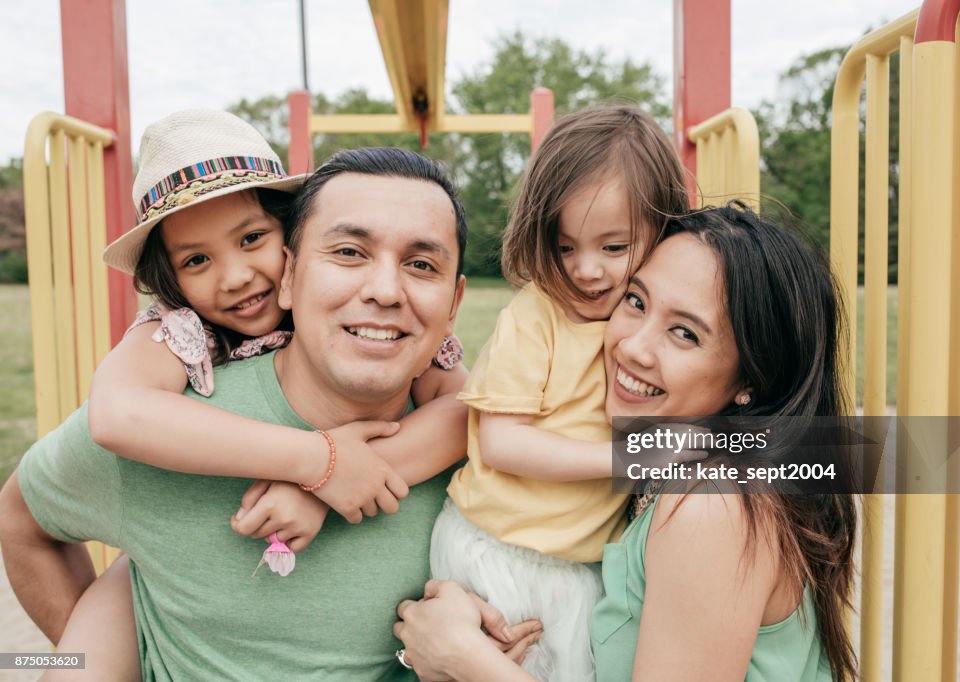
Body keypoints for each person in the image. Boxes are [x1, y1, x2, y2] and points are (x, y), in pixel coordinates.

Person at [0, 145, 498, 680]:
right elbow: (25, 516)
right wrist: (95, 657)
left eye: (421, 264)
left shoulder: (500, 437)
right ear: (290, 273)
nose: (384, 290)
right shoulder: (168, 421)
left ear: (454, 302)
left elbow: (479, 420)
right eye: (350, 252)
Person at [394, 204, 859, 682]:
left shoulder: (711, 505)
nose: (632, 346)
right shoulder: (676, 469)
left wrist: (464, 659)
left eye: (684, 333)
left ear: (751, 380)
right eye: (636, 302)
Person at [431, 105, 689, 682]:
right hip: (499, 549)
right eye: (566, 246)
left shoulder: (645, 325)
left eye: (614, 248)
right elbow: (501, 443)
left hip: (581, 565)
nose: (585, 270)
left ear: (664, 229)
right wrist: (627, 456)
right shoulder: (539, 314)